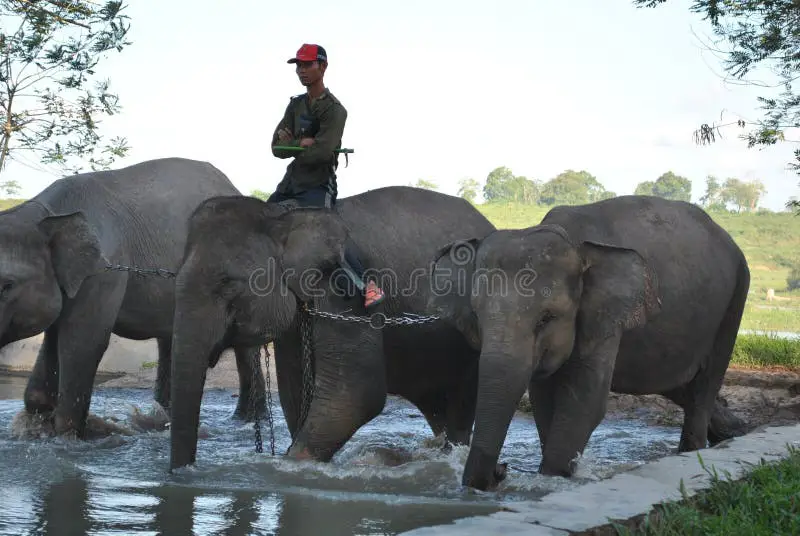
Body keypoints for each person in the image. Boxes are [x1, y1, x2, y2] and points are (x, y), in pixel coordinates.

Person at [268, 43, 385, 309]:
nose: (301, 70)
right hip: (291, 181)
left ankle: (368, 286)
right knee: (265, 223)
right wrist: (302, 143)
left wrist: (297, 143)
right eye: (298, 65)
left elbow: (321, 154)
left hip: (318, 184)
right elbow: (276, 148)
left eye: (307, 64)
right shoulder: (296, 105)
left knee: (328, 233)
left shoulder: (334, 110)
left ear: (323, 66)